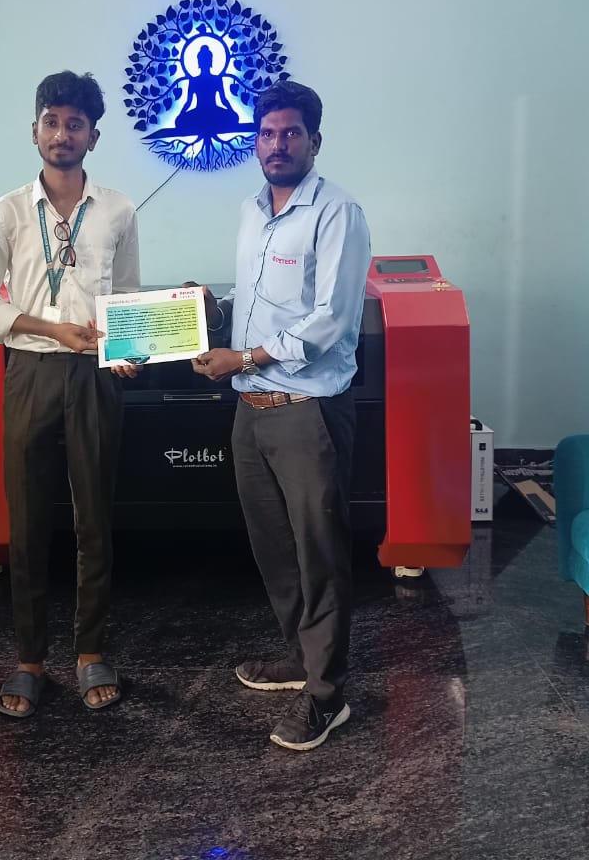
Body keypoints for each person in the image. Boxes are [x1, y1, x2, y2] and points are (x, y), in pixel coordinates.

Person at [192, 80, 371, 751]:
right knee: (274, 547)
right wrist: (211, 310)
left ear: (313, 142)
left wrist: (242, 357)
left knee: (319, 552)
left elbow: (331, 320)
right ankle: (302, 656)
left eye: (291, 133)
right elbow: (259, 299)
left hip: (306, 411)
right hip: (251, 409)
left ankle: (327, 695)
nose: (277, 145)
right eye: (266, 134)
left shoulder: (338, 213)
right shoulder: (252, 210)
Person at [0, 70, 141, 719]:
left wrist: (128, 350)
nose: (61, 133)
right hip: (31, 371)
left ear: (93, 135)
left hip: (95, 376)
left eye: (75, 124)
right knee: (28, 518)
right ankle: (29, 659)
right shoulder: (5, 212)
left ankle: (91, 650)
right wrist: (49, 329)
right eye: (51, 122)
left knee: (94, 517)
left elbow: (126, 298)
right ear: (34, 129)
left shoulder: (118, 210)